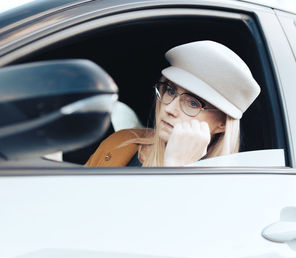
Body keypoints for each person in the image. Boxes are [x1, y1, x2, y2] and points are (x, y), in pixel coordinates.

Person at [85, 40, 260, 167]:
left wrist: (176, 166)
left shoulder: (228, 189)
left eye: (192, 103)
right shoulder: (121, 142)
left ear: (222, 123)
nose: (169, 108)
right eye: (170, 91)